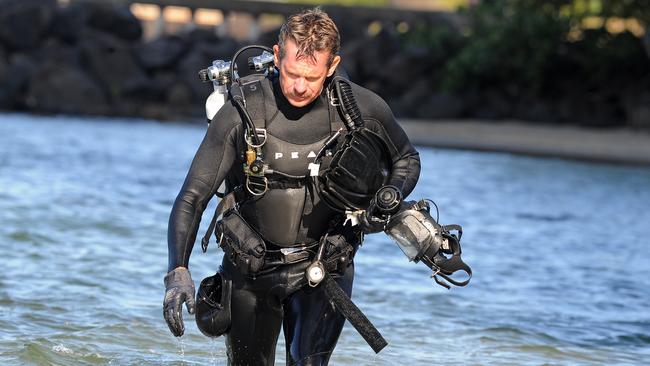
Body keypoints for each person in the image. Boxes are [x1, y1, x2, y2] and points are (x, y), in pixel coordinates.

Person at [163, 8, 421, 365]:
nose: (300, 86)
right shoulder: (241, 111)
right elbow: (193, 197)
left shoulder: (362, 109)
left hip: (324, 267)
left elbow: (406, 159)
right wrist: (178, 272)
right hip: (249, 270)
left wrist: (389, 197)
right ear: (278, 54)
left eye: (311, 77)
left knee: (307, 361)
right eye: (292, 73)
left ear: (332, 66)